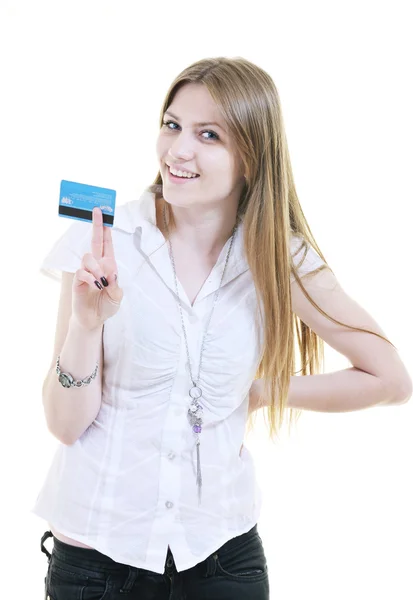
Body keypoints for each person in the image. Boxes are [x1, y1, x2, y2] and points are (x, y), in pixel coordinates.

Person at [33, 56, 411, 600]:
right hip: (97, 562)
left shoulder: (279, 258)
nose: (178, 150)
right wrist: (86, 327)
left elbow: (391, 379)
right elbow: (66, 426)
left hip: (222, 561)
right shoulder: (103, 237)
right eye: (172, 125)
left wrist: (257, 392)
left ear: (252, 158)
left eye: (208, 134)